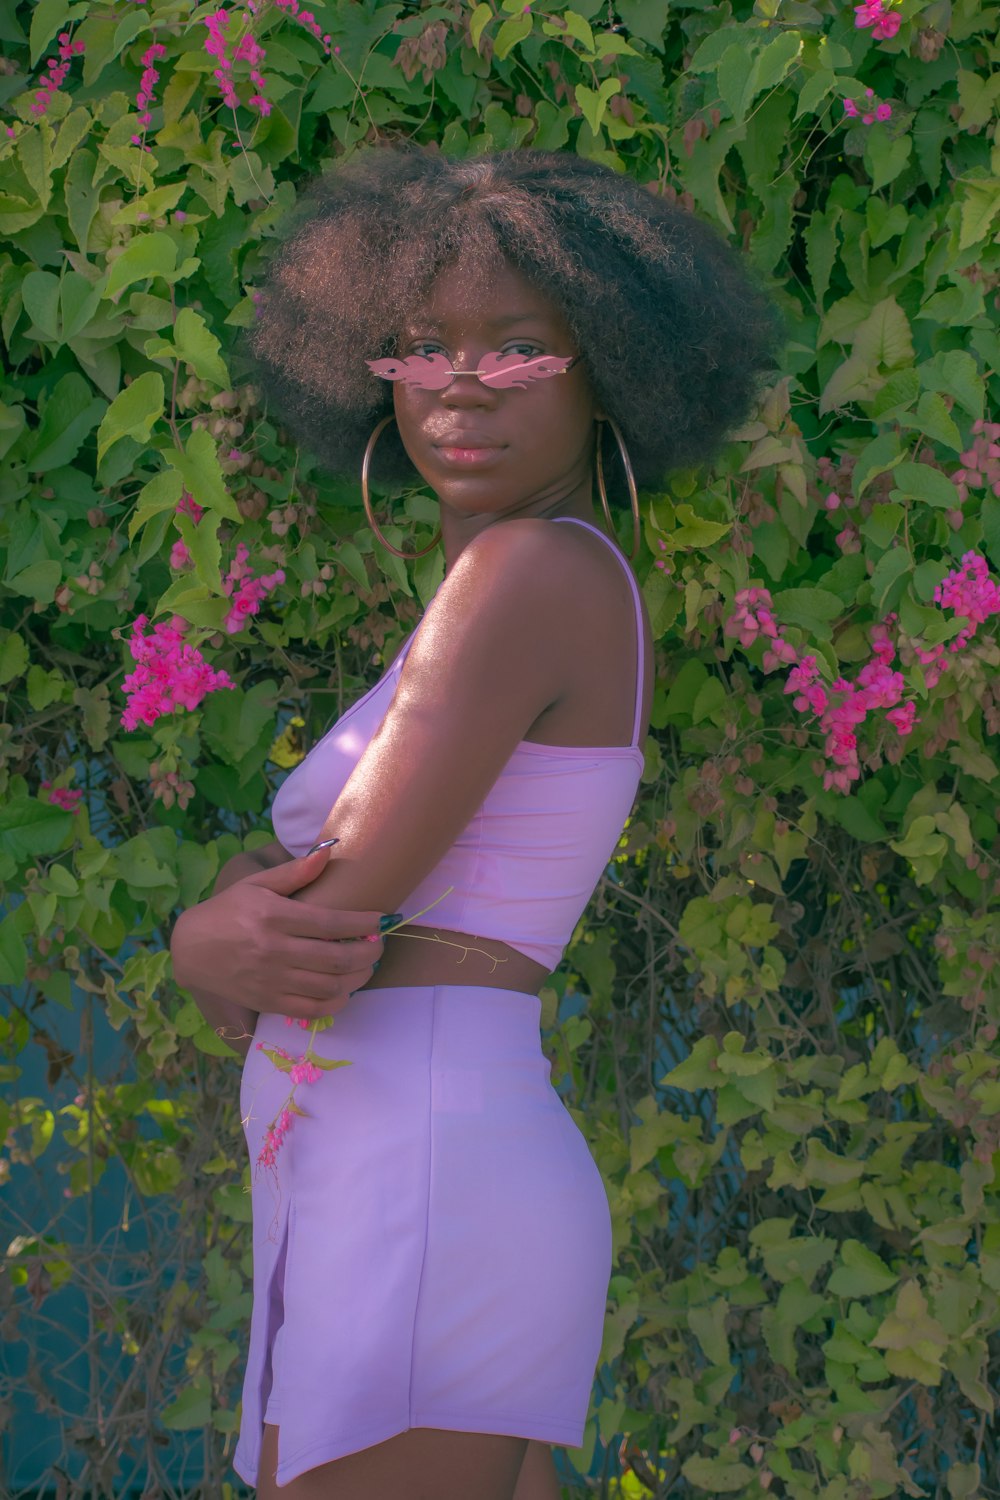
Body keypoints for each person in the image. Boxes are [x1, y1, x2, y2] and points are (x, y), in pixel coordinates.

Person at [169, 146, 783, 1499]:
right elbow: (301, 888)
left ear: (607, 368)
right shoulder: (520, 581)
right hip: (397, 1162)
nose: (460, 382)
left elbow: (328, 908)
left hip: (421, 1177)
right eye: (423, 346)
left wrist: (206, 936)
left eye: (519, 348)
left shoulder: (525, 574)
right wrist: (227, 915)